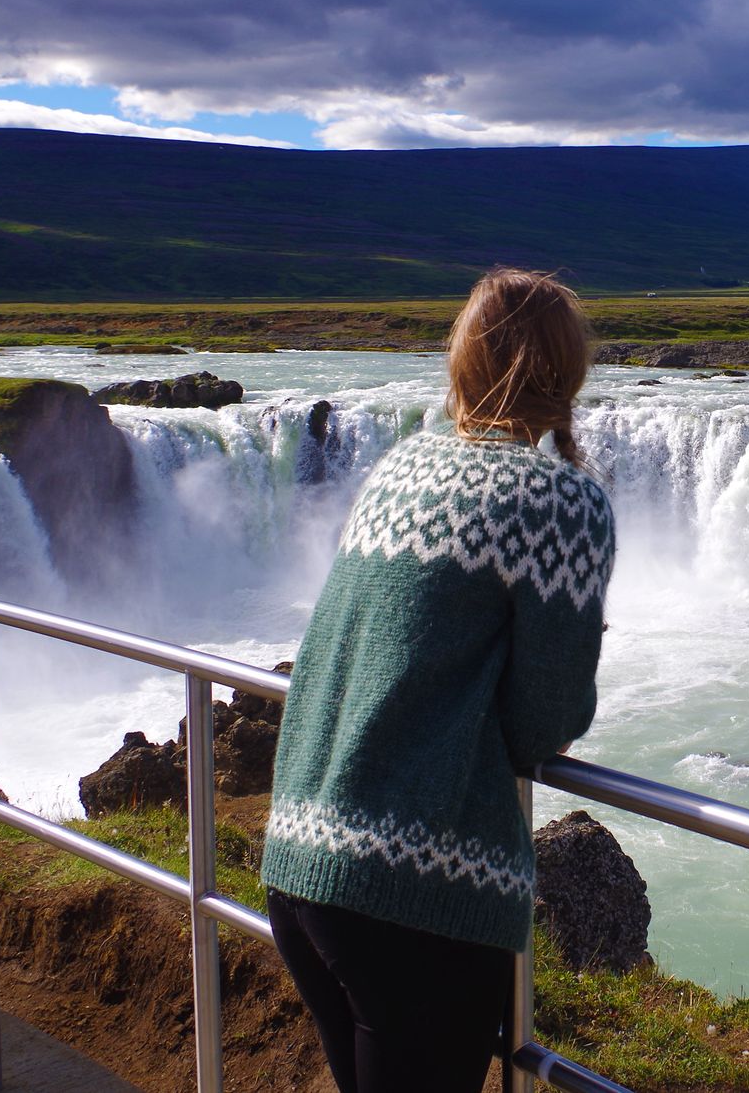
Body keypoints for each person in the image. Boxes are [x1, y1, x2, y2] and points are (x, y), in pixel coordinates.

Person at [262, 269, 616, 1093]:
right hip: (413, 889)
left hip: (303, 862)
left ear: (465, 359)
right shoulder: (559, 501)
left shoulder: (404, 463)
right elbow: (546, 722)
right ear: (567, 372)